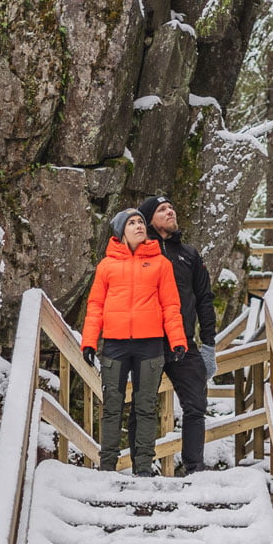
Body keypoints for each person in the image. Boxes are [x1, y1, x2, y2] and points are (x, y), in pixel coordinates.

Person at [81, 208, 188, 473]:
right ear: (120, 231)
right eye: (132, 223)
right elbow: (95, 305)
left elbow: (170, 305)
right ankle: (107, 467)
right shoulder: (106, 266)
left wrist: (177, 340)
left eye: (141, 221)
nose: (139, 226)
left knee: (146, 407)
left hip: (149, 345)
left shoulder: (161, 263)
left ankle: (143, 468)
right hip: (115, 345)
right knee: (112, 406)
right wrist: (89, 342)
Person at [138, 195, 217, 477]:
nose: (170, 211)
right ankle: (142, 468)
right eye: (162, 209)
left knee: (196, 405)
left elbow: (204, 299)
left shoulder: (189, 254)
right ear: (149, 220)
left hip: (183, 343)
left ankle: (194, 467)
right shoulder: (139, 252)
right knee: (142, 404)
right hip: (147, 342)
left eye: (171, 207)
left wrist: (209, 344)